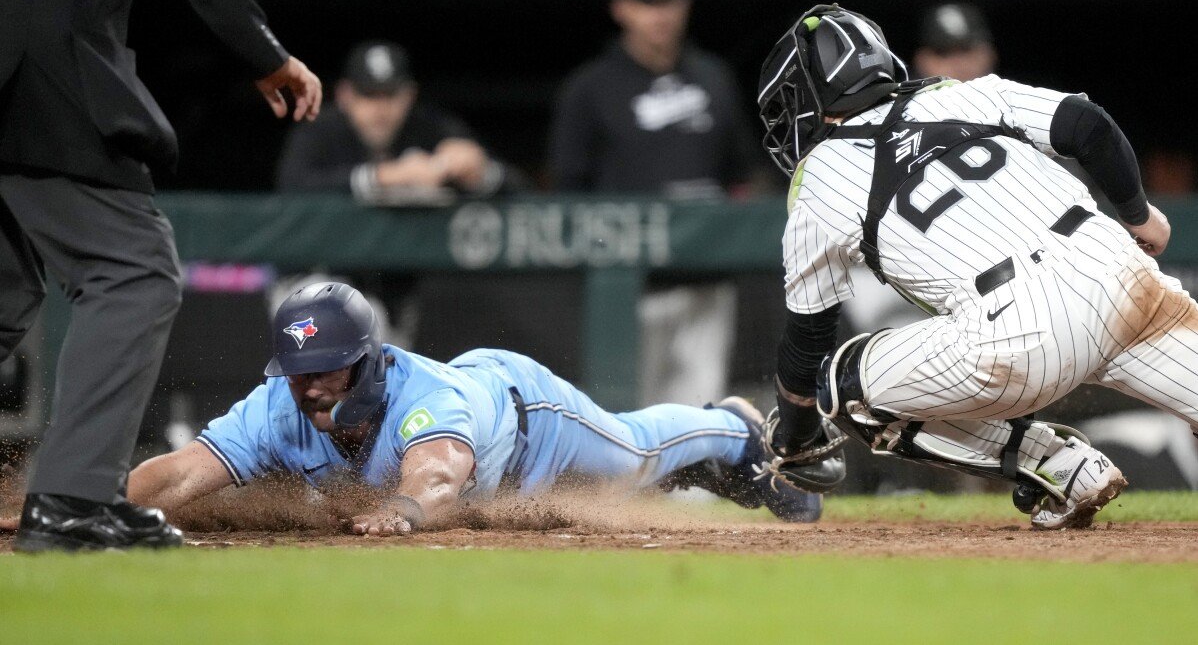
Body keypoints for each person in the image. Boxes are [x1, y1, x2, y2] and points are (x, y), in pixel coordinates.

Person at [753, 3, 1192, 530]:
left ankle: (1057, 466)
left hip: (1017, 335)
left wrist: (795, 438)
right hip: (1121, 276)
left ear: (814, 101)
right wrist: (1139, 215)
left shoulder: (818, 178)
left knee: (840, 385)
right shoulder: (963, 92)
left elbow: (808, 341)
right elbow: (1085, 123)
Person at [0, 0, 322, 552]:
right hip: (41, 79)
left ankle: (78, 494)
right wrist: (263, 51)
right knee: (134, 273)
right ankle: (72, 500)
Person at [121, 282, 822, 532]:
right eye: (298, 374)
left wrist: (402, 511)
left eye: (326, 372)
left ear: (368, 361)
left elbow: (437, 473)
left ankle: (731, 428)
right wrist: (101, 504)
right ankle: (699, 461)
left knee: (633, 458)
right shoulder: (277, 406)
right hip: (494, 468)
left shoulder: (428, 402)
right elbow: (183, 471)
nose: (310, 390)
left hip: (527, 420)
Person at [549, 0, 761, 407]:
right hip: (628, 287)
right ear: (622, 8)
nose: (660, 14)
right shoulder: (592, 87)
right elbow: (567, 191)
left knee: (700, 412)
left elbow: (740, 176)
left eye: (668, 1)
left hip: (707, 280)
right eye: (647, 2)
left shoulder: (713, 78)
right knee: (626, 417)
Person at [277, 40, 506, 202]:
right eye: (369, 95)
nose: (381, 109)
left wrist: (481, 172)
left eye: (390, 95)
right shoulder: (322, 128)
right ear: (345, 95)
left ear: (409, 95)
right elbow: (291, 186)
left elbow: (519, 185)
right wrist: (383, 176)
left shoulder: (431, 126)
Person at [912, 3, 998, 82]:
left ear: (990, 54)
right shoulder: (908, 99)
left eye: (966, 49)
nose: (958, 63)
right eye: (943, 52)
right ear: (921, 60)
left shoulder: (1009, 96)